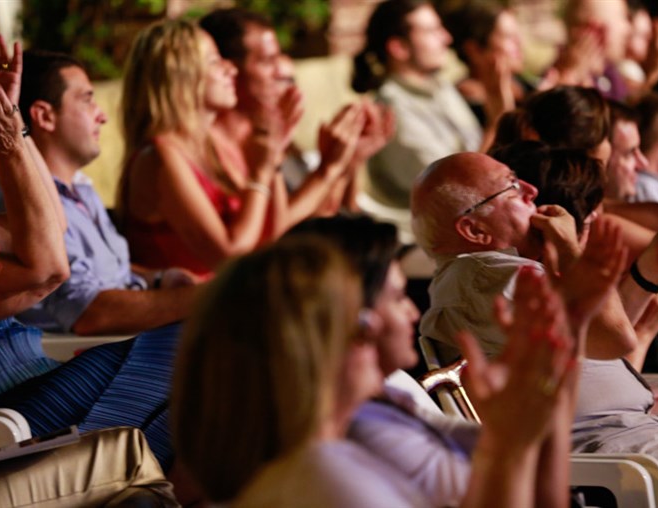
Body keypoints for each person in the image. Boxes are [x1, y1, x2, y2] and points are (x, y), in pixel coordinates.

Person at [411, 151, 658, 506]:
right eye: (512, 188)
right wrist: (572, 251)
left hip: (639, 452)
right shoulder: (484, 276)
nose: (531, 190)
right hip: (620, 468)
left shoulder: (489, 275)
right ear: (474, 230)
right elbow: (615, 338)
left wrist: (650, 269)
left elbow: (595, 336)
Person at [173, 232, 581, 507]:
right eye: (361, 323)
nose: (379, 328)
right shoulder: (323, 475)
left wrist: (547, 391)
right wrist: (508, 446)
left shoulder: (328, 454)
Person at [0, 36, 177, 505]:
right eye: (88, 99)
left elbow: (48, 235)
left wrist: (12, 125)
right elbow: (49, 269)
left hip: (40, 375)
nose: (102, 114)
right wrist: (10, 136)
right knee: (198, 343)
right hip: (16, 410)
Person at [0, 48, 198, 335]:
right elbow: (85, 306)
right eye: (88, 100)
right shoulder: (19, 205)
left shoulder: (82, 189)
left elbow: (109, 273)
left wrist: (159, 278)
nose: (103, 117)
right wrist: (209, 297)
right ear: (44, 117)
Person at [118, 19, 287, 279]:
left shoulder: (206, 147)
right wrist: (261, 173)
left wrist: (273, 156)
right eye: (215, 61)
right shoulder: (159, 157)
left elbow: (271, 236)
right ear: (180, 75)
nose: (231, 69)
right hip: (187, 315)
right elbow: (228, 256)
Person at [200, 9, 391, 226]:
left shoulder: (273, 136)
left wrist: (350, 162)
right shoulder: (207, 148)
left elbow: (326, 214)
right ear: (230, 68)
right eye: (267, 61)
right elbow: (273, 231)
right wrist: (328, 170)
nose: (279, 71)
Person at [351, 0, 484, 209]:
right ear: (399, 48)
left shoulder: (440, 87)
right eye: (432, 31)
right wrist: (497, 119)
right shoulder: (392, 109)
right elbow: (454, 190)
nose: (447, 38)